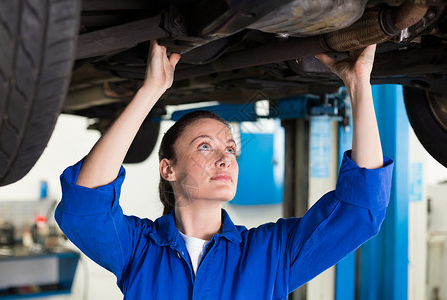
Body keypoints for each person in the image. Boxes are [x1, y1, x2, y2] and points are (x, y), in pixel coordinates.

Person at [55, 40, 393, 299]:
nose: (226, 158)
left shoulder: (269, 255)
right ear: (167, 169)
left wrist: (359, 83)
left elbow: (359, 210)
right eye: (205, 145)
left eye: (230, 148)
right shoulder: (138, 250)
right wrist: (151, 91)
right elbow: (84, 206)